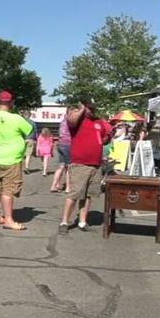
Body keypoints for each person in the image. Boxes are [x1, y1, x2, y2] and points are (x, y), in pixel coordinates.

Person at [59, 98, 112, 235]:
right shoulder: (77, 121)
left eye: (93, 108)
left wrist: (109, 136)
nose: (92, 110)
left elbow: (103, 140)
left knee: (88, 195)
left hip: (95, 163)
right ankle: (64, 222)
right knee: (74, 194)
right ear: (83, 107)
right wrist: (81, 109)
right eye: (90, 108)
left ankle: (82, 221)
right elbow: (70, 120)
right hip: (80, 163)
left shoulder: (98, 122)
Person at [0, 90, 33, 230]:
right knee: (8, 190)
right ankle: (8, 220)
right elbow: (29, 129)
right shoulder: (16, 118)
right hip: (11, 159)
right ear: (11, 103)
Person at [50, 109, 74, 193]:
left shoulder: (63, 121)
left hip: (60, 144)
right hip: (68, 144)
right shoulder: (71, 122)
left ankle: (54, 185)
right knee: (69, 167)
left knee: (61, 166)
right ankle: (68, 187)